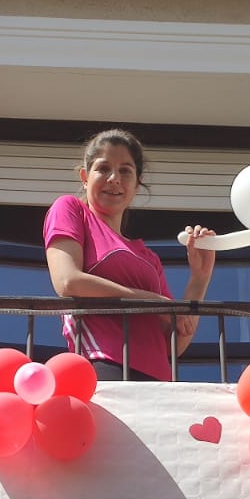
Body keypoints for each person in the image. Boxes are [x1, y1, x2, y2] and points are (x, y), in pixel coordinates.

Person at [43, 129, 216, 380]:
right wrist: (151, 301)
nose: (114, 178)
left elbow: (174, 345)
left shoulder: (149, 258)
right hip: (103, 365)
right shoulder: (71, 209)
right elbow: (67, 281)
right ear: (84, 177)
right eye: (103, 168)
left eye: (125, 170)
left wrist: (199, 279)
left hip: (159, 382)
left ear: (137, 183)